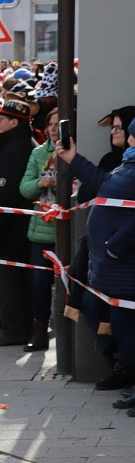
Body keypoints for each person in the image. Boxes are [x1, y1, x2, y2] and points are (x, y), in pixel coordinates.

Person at [59, 118, 135, 405]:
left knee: (128, 331)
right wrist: (72, 158)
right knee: (124, 330)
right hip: (115, 270)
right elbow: (103, 182)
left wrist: (114, 247)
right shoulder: (128, 165)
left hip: (124, 268)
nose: (124, 136)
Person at [0, 99, 38, 347]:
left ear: (14, 123)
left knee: (10, 282)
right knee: (13, 281)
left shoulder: (16, 148)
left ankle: (15, 329)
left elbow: (4, 193)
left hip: (10, 229)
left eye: (2, 119)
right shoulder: (14, 144)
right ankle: (18, 328)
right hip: (12, 227)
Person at [19, 108, 62, 351]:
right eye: (51, 124)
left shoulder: (77, 150)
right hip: (42, 229)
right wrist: (39, 182)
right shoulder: (38, 153)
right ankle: (39, 330)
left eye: (59, 124)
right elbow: (24, 189)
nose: (55, 128)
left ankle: (69, 332)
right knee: (40, 283)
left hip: (69, 228)